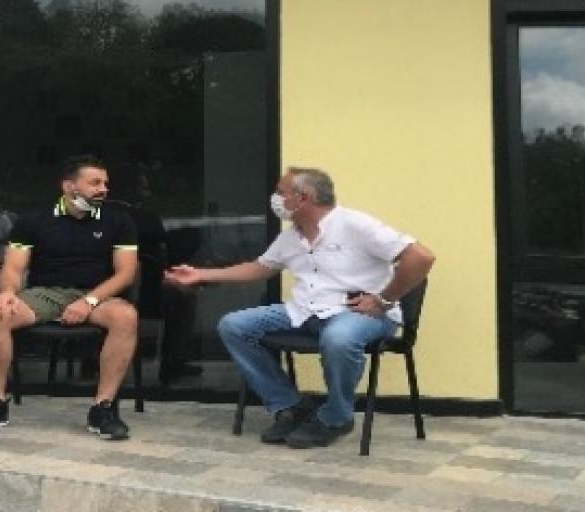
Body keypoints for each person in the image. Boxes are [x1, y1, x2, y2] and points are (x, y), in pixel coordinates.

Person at [165, 167, 435, 449]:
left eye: (281, 192)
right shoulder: (291, 236)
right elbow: (260, 268)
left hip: (359, 313)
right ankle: (290, 405)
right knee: (234, 326)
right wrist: (201, 274)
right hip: (305, 311)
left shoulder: (356, 225)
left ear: (303, 197)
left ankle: (336, 416)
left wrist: (384, 300)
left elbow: (421, 257)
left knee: (339, 338)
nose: (275, 198)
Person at [0, 155, 140, 440]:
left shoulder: (118, 220)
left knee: (126, 316)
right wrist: (7, 293)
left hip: (97, 294)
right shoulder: (34, 220)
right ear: (70, 186)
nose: (103, 189)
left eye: (105, 183)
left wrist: (88, 301)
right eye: (95, 183)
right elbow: (13, 268)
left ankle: (103, 408)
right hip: (45, 293)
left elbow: (126, 274)